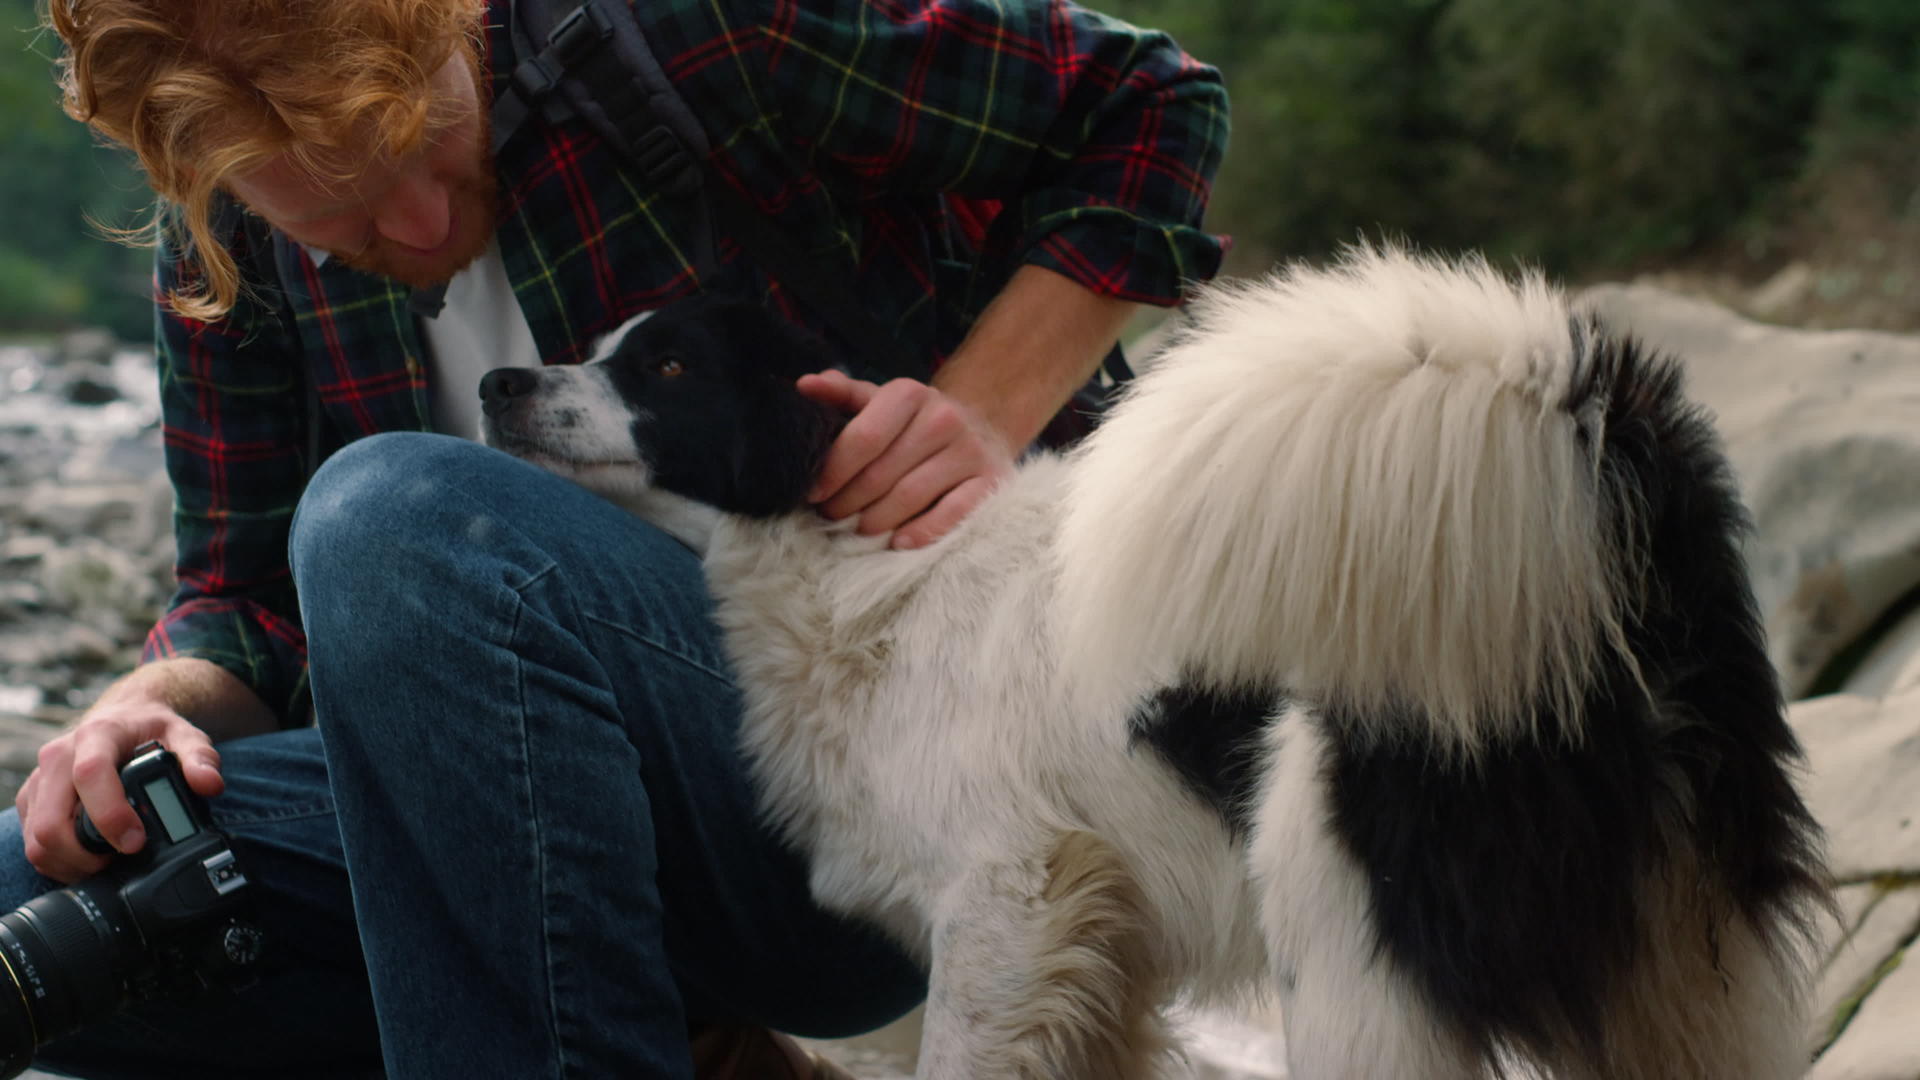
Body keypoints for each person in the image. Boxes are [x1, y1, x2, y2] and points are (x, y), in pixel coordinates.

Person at [4, 0, 1228, 1075]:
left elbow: (1146, 106)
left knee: (398, 519)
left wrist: (981, 408)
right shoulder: (228, 244)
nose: (423, 226)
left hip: (881, 780)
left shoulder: (693, 26)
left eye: (420, 142)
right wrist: (143, 701)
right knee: (32, 896)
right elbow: (248, 598)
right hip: (503, 833)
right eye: (344, 224)